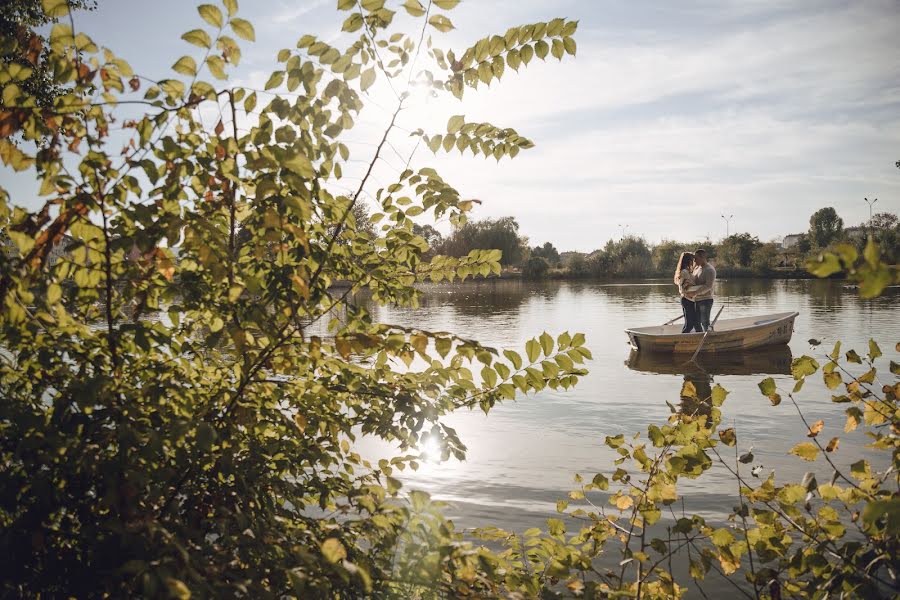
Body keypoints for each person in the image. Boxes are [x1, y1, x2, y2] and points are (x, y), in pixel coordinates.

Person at [674, 252, 701, 333]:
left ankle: (698, 338)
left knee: (693, 323)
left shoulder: (686, 271)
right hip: (687, 299)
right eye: (693, 260)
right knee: (690, 324)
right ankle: (681, 341)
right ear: (688, 260)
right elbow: (684, 288)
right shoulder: (684, 272)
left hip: (689, 299)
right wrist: (702, 288)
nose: (694, 261)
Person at [691, 248, 717, 331]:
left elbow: (708, 286)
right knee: (695, 322)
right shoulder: (696, 268)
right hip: (696, 299)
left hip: (706, 300)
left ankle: (710, 339)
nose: (694, 261)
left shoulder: (710, 270)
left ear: (702, 257)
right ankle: (700, 337)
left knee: (705, 322)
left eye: (696, 258)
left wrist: (695, 292)